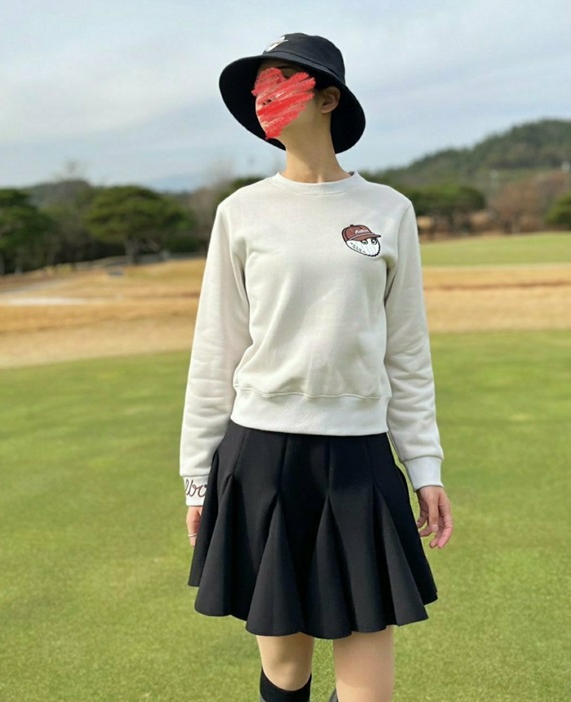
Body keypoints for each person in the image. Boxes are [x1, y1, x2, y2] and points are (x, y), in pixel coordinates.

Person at [180, 32, 454, 702]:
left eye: (283, 82)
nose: (264, 97)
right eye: (259, 87)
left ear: (328, 99)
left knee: (370, 693)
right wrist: (196, 480)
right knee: (286, 671)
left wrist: (424, 466)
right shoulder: (240, 212)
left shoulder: (388, 211)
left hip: (360, 459)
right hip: (260, 460)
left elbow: (407, 353)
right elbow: (216, 349)